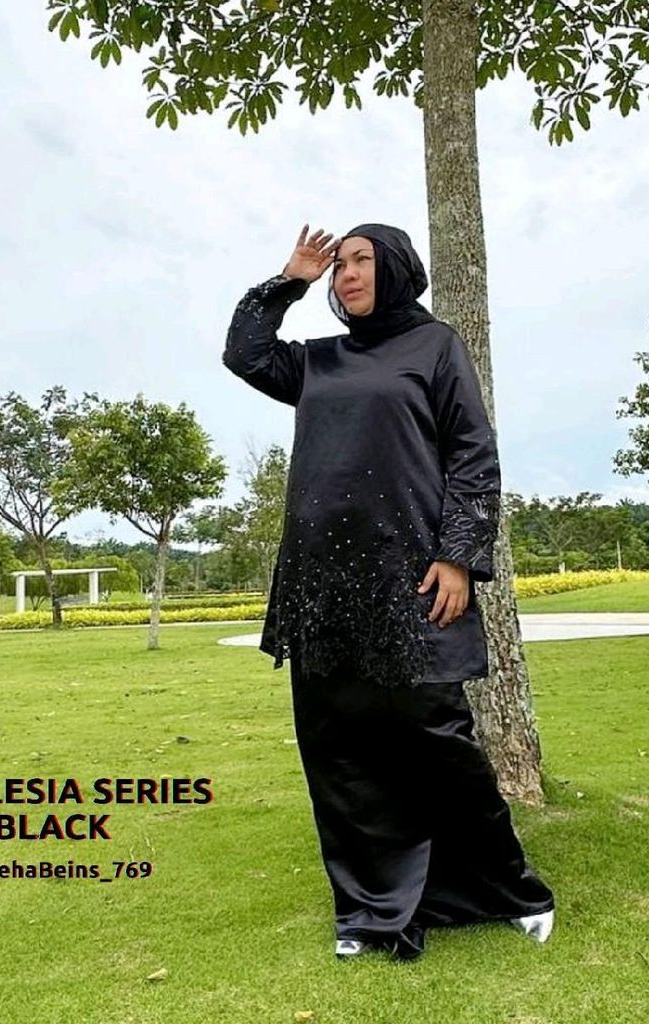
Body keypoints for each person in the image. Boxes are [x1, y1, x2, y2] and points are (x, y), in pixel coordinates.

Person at [223, 223, 555, 961]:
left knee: (437, 737)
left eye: (361, 260)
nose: (346, 274)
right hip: (322, 585)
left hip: (412, 577)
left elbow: (473, 455)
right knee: (338, 748)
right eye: (338, 265)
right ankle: (369, 910)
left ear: (398, 268)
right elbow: (244, 352)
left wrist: (459, 558)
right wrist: (290, 280)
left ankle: (506, 889)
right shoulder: (316, 361)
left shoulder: (436, 347)